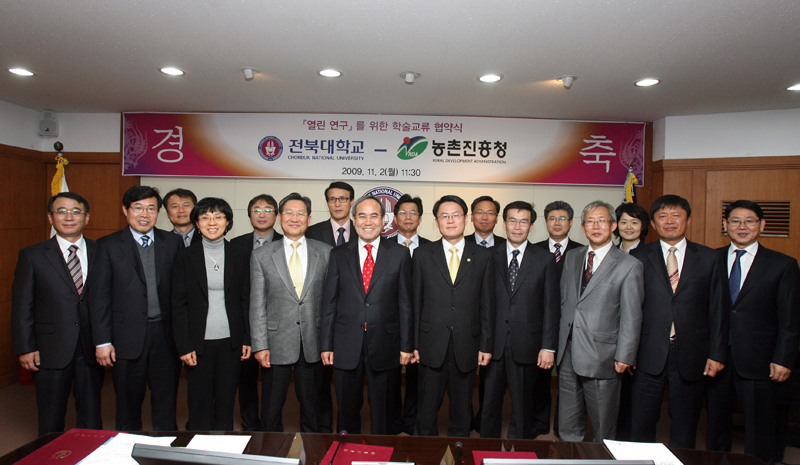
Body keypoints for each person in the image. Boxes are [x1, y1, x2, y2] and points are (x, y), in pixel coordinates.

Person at [705, 200, 800, 464]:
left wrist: (784, 358)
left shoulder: (782, 264)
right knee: (715, 428)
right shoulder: (709, 259)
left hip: (760, 360)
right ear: (725, 225)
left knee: (760, 431)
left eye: (749, 221)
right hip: (715, 358)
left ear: (762, 225)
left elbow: (790, 318)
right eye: (735, 221)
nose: (742, 226)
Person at [629, 194, 727, 449]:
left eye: (676, 215)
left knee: (686, 423)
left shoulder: (709, 258)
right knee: (641, 421)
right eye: (662, 216)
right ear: (653, 223)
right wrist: (628, 352)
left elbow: (718, 309)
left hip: (692, 352)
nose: (669, 221)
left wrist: (717, 354)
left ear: (688, 220)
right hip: (647, 351)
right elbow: (629, 309)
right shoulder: (638, 257)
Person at [90, 186, 183, 431]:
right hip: (125, 337)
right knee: (127, 403)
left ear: (158, 212)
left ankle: (166, 445)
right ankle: (127, 445)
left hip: (165, 336)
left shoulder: (173, 242)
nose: (145, 214)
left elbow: (181, 293)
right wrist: (102, 341)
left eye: (151, 208)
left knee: (166, 400)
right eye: (138, 208)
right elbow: (99, 297)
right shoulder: (107, 245)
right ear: (125, 210)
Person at [12, 192, 104, 437]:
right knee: (51, 415)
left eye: (76, 211)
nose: (69, 217)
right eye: (61, 211)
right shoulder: (32, 255)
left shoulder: (101, 251)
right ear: (50, 218)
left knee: (91, 413)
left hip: (91, 347)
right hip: (50, 348)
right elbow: (22, 304)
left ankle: (91, 452)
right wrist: (25, 347)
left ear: (87, 217)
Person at [320, 196, 414, 434]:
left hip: (386, 343)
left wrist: (406, 346)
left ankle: (383, 451)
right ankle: (346, 450)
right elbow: (329, 302)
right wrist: (326, 344)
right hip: (345, 344)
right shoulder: (339, 254)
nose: (368, 222)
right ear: (353, 220)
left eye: (374, 216)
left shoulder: (400, 254)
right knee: (347, 409)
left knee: (383, 411)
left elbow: (405, 304)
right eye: (362, 216)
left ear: (383, 221)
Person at [556, 200, 643, 442]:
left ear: (613, 226)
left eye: (602, 221)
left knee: (603, 425)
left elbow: (632, 315)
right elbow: (565, 302)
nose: (596, 226)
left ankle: (602, 458)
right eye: (590, 222)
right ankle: (570, 456)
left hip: (603, 355)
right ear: (582, 227)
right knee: (568, 422)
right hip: (568, 352)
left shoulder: (629, 265)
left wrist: (625, 355)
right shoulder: (573, 257)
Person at [413, 194, 496, 437]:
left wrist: (486, 344)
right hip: (430, 343)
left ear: (466, 219)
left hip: (467, 343)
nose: (450, 221)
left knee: (462, 410)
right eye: (444, 216)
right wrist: (414, 343)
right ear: (436, 221)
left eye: (456, 215)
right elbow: (415, 303)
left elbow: (488, 305)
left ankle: (460, 450)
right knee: (426, 409)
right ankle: (426, 451)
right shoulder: (422, 254)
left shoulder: (483, 256)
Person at [250, 192, 332, 432]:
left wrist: (329, 343)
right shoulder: (261, 255)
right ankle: (270, 448)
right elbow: (257, 303)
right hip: (275, 342)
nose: (294, 218)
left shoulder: (326, 252)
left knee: (312, 406)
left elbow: (331, 302)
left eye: (300, 213)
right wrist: (259, 345)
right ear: (279, 218)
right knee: (271, 407)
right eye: (289, 213)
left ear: (308, 219)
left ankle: (312, 447)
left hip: (313, 341)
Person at [480, 201, 559, 439]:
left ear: (531, 226)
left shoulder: (545, 259)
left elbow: (551, 307)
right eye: (512, 221)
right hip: (493, 344)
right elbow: (480, 303)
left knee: (523, 405)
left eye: (523, 221)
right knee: (489, 404)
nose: (517, 227)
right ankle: (486, 448)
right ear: (503, 224)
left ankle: (519, 452)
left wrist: (548, 347)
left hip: (528, 343)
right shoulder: (487, 256)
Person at [171, 197, 251, 431]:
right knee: (199, 401)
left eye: (218, 217)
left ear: (227, 222)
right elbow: (178, 305)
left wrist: (247, 338)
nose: (212, 222)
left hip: (231, 341)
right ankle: (198, 444)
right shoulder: (186, 256)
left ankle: (223, 444)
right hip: (198, 342)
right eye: (205, 217)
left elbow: (246, 299)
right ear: (197, 223)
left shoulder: (240, 254)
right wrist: (184, 345)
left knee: (226, 400)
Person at [305, 181, 356, 431]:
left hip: (353, 318)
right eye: (332, 199)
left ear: (351, 202)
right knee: (320, 380)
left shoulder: (365, 230)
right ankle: (323, 430)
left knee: (350, 383)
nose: (338, 203)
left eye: (343, 198)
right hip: (321, 316)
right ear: (327, 203)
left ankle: (348, 429)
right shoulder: (312, 233)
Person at [230, 193, 283, 431]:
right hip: (245, 321)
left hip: (276, 322)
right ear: (249, 215)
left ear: (277, 215)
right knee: (246, 377)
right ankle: (250, 423)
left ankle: (271, 425)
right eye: (257, 210)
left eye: (268, 209)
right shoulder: (236, 244)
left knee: (274, 379)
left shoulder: (287, 242)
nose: (262, 215)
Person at [533, 200, 584, 436]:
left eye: (562, 218)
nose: (557, 223)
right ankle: (539, 422)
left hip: (571, 328)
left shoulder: (582, 252)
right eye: (552, 218)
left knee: (569, 381)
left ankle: (564, 426)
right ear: (545, 222)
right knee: (540, 379)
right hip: (540, 325)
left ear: (571, 223)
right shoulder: (534, 250)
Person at [391, 194, 431, 435]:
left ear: (420, 218)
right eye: (403, 213)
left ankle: (412, 421)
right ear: (395, 218)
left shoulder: (431, 248)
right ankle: (394, 420)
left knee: (418, 376)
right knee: (391, 376)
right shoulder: (384, 246)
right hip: (391, 323)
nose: (408, 217)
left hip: (422, 323)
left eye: (413, 213)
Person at [612, 202, 650, 440]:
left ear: (643, 226)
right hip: (607, 333)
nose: (628, 227)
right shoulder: (608, 252)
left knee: (632, 394)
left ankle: (626, 439)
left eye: (634, 222)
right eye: (623, 222)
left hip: (636, 334)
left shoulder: (650, 256)